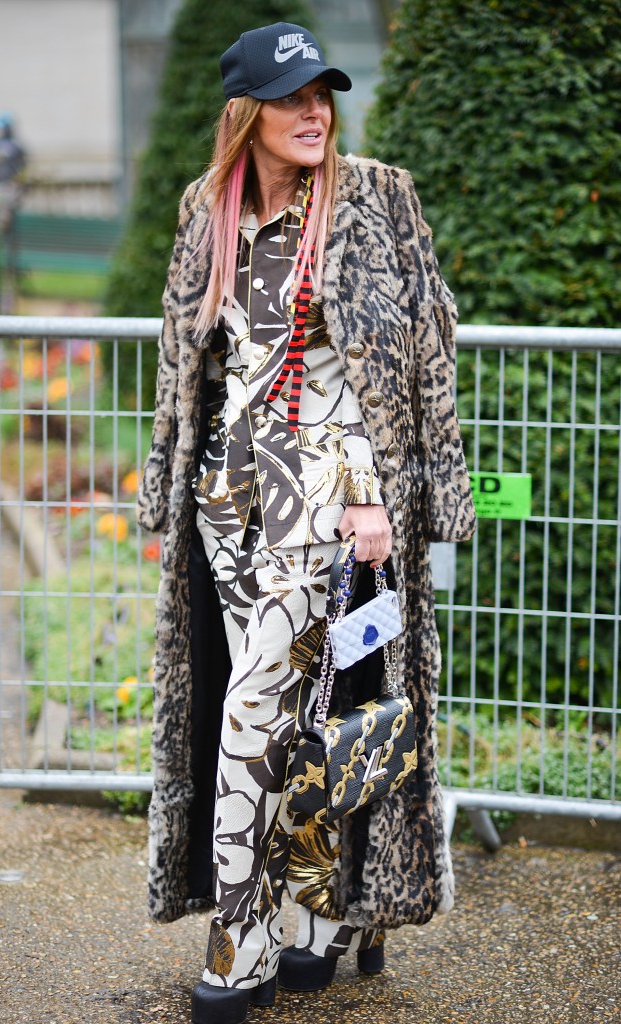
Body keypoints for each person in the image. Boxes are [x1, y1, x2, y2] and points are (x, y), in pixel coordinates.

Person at [136, 22, 476, 1024]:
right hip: (228, 512)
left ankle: (239, 944)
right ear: (246, 114)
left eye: (321, 93)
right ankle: (318, 919)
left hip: (328, 509)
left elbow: (416, 353)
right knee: (300, 721)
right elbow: (187, 363)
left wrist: (378, 491)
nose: (313, 111)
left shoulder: (374, 199)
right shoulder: (207, 209)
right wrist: (170, 483)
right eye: (291, 97)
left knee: (250, 719)